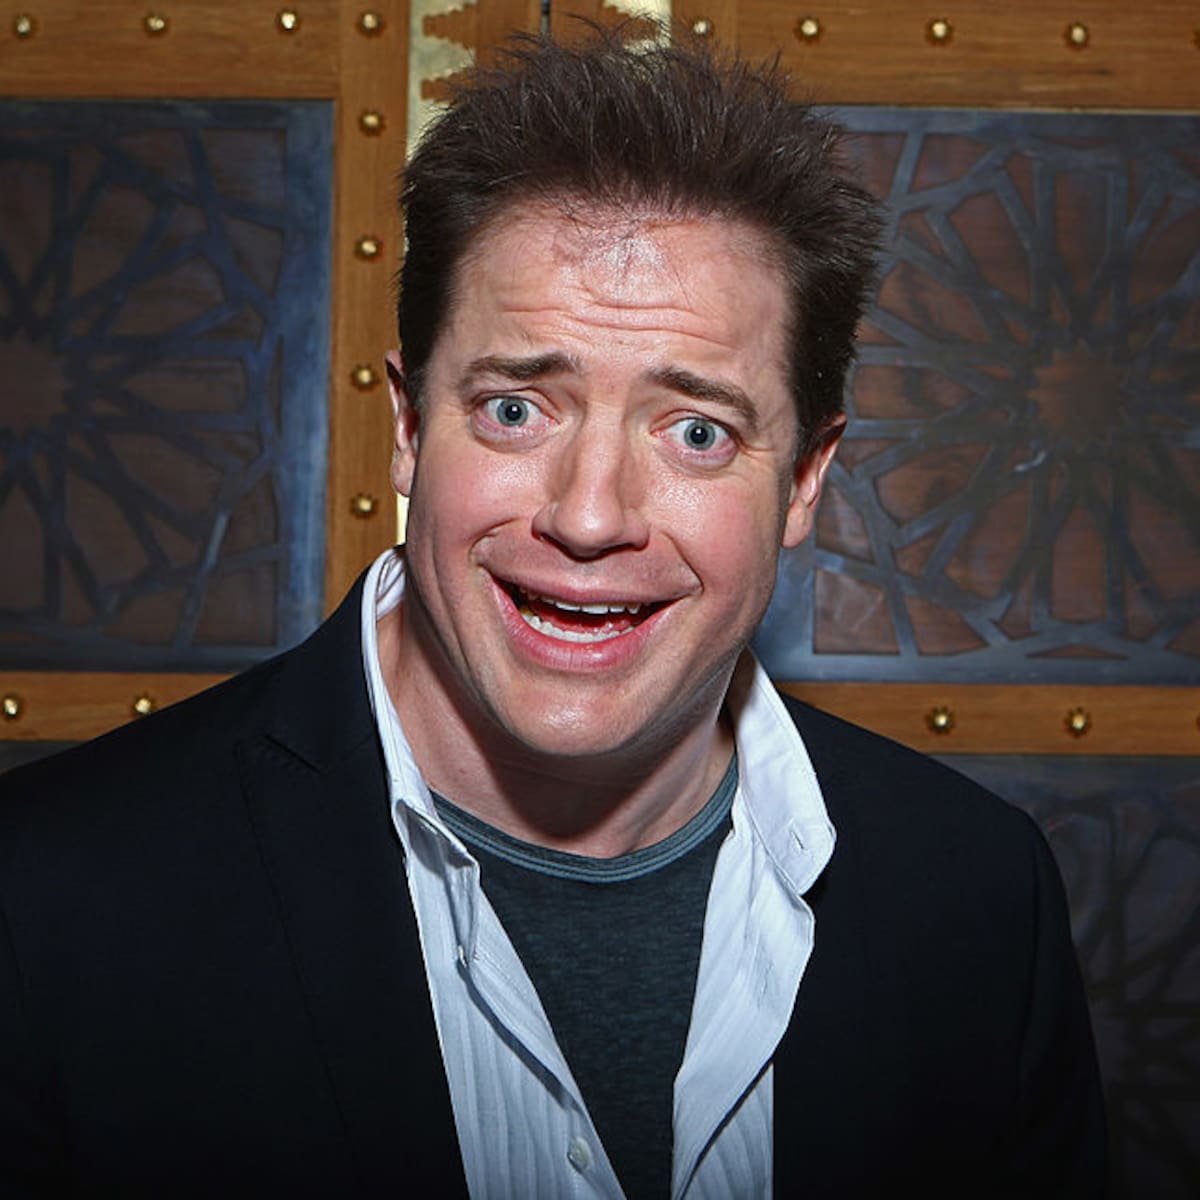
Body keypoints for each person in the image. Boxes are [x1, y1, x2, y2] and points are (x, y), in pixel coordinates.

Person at [0, 26, 1105, 1199]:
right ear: (409, 429)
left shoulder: (980, 898)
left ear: (803, 481)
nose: (588, 516)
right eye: (517, 410)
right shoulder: (48, 901)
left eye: (697, 431)